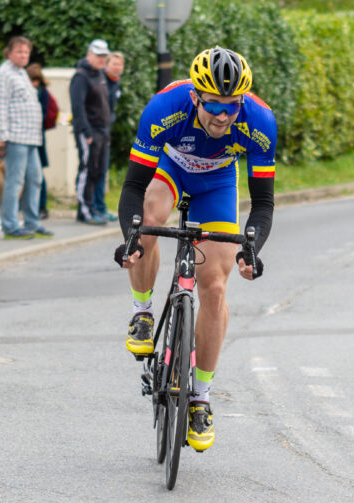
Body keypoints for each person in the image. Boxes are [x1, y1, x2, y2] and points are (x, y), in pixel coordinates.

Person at [115, 46, 276, 452]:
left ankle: (201, 397)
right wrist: (131, 241)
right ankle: (142, 312)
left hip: (217, 184)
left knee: (216, 287)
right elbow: (133, 187)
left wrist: (250, 250)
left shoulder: (259, 121)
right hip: (171, 169)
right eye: (214, 106)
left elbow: (263, 203)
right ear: (195, 98)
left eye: (232, 107)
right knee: (149, 220)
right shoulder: (165, 107)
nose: (224, 116)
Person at [0, 36, 52, 240]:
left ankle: (32, 222)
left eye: (26, 52)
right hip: (15, 137)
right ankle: (10, 225)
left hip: (31, 138)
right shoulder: (3, 74)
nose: (23, 55)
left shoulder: (22, 72)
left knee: (35, 179)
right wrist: (2, 137)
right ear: (9, 53)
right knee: (14, 182)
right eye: (19, 52)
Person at [70, 38, 111, 225]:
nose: (101, 59)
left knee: (97, 171)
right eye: (98, 56)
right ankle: (84, 210)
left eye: (104, 56)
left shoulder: (100, 75)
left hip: (102, 131)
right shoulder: (81, 77)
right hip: (90, 131)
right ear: (89, 55)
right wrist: (86, 133)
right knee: (87, 170)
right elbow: (77, 108)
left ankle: (92, 207)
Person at [92, 50, 125, 222]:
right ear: (107, 65)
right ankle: (92, 208)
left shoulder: (115, 82)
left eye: (120, 64)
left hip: (106, 130)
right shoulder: (101, 80)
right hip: (95, 131)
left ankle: (101, 206)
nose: (117, 67)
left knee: (102, 170)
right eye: (114, 63)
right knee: (94, 170)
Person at [26, 63, 58, 220]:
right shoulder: (37, 91)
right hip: (33, 136)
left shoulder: (41, 93)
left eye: (36, 80)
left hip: (36, 137)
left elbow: (43, 115)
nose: (34, 84)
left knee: (38, 173)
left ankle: (42, 206)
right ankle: (34, 206)